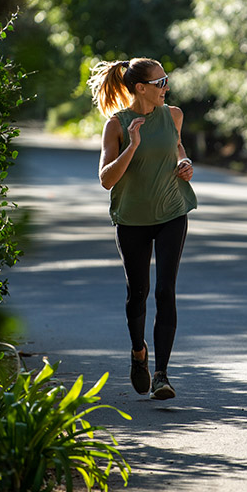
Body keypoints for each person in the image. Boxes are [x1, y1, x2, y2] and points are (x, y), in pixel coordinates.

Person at [87, 57, 197, 400]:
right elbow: (106, 180)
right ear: (141, 88)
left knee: (165, 291)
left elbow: (176, 145)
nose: (167, 87)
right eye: (161, 82)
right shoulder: (116, 126)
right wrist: (132, 146)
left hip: (171, 212)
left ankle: (161, 374)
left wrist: (183, 161)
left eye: (166, 81)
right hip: (131, 218)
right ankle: (139, 353)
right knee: (138, 292)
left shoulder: (173, 115)